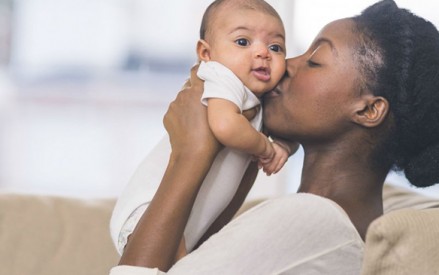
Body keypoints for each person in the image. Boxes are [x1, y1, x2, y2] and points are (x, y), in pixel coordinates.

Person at [110, 0, 439, 274]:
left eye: (314, 61)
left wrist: (189, 155)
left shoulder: (311, 221)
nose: (284, 66)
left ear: (368, 110)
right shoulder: (330, 224)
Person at [109, 0, 298, 256]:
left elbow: (292, 128)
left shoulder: (259, 96)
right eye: (243, 42)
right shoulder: (221, 77)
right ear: (206, 54)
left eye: (275, 47)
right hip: (147, 208)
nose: (263, 53)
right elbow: (225, 125)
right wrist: (266, 147)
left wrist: (284, 146)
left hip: (188, 218)